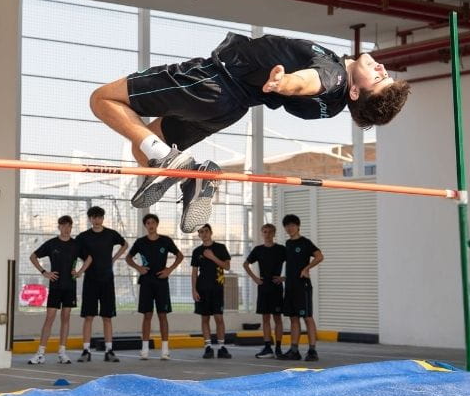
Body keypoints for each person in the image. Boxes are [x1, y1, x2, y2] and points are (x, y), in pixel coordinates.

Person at [89, 33, 410, 233]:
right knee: (144, 150)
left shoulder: (335, 76)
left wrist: (284, 83)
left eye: (379, 79)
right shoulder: (332, 103)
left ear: (355, 93)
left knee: (102, 98)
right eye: (386, 74)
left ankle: (173, 164)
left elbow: (309, 81)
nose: (382, 69)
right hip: (228, 107)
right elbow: (304, 98)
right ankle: (191, 178)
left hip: (212, 81)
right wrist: (284, 88)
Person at [27, 215, 92, 365]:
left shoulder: (76, 245)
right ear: (59, 227)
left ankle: (62, 352)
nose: (66, 229)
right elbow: (33, 257)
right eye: (63, 226)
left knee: (66, 317)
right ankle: (40, 353)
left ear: (71, 227)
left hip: (70, 286)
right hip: (55, 286)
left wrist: (80, 271)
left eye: (69, 226)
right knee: (50, 317)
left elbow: (89, 258)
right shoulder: (52, 244)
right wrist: (44, 272)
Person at [126, 213, 184, 361]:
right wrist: (139, 268)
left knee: (163, 315)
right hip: (146, 282)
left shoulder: (165, 241)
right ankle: (144, 349)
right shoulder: (140, 242)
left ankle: (165, 350)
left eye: (153, 222)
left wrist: (169, 270)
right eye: (148, 223)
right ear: (145, 226)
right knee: (147, 315)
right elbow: (128, 258)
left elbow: (180, 256)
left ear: (157, 224)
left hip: (161, 282)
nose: (151, 225)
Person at [75, 206, 128, 363]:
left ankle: (109, 350)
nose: (96, 220)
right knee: (88, 316)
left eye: (99, 217)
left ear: (102, 218)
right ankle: (86, 350)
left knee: (107, 317)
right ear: (90, 219)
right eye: (93, 217)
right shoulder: (83, 237)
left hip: (107, 280)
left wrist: (114, 258)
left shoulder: (110, 234)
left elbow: (125, 245)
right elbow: (74, 251)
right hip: (90, 280)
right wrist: (77, 268)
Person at [281, 214, 324, 361]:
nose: (289, 228)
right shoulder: (287, 244)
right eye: (287, 226)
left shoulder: (305, 242)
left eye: (292, 225)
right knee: (293, 318)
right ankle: (294, 350)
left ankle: (312, 351)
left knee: (307, 317)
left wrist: (307, 268)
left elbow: (319, 256)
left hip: (302, 286)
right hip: (290, 286)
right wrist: (284, 278)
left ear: (298, 226)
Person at [243, 223, 286, 359]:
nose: (267, 235)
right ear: (262, 234)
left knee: (277, 318)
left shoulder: (281, 249)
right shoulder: (258, 250)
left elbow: (294, 264)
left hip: (276, 287)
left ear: (274, 234)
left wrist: (284, 277)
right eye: (265, 232)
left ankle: (278, 347)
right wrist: (255, 278)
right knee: (265, 318)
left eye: (269, 232)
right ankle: (268, 347)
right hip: (263, 287)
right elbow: (245, 264)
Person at [191, 223, 232, 359]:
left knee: (219, 318)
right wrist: (194, 290)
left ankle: (221, 347)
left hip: (217, 288)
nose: (204, 234)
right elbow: (194, 272)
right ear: (199, 235)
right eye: (201, 232)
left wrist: (212, 257)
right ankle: (208, 347)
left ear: (211, 232)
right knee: (205, 318)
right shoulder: (197, 251)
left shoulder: (220, 248)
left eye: (206, 231)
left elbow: (226, 266)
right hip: (202, 289)